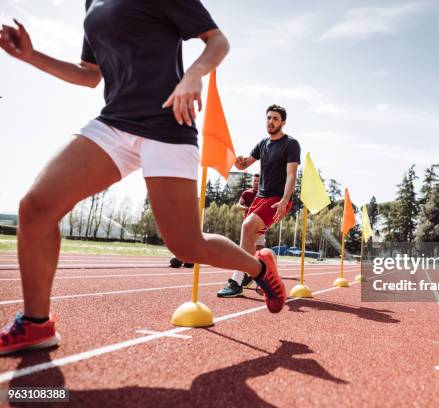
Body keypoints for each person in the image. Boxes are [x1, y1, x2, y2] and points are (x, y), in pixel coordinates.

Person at [0, 1, 285, 356]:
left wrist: (193, 75)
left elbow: (218, 41)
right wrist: (31, 56)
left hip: (168, 120)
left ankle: (258, 267)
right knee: (36, 207)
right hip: (115, 123)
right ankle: (35, 323)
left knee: (185, 245)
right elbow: (90, 74)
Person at [217, 105, 300, 298]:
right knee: (253, 240)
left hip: (276, 199)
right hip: (260, 199)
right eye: (268, 118)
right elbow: (244, 164)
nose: (271, 122)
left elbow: (291, 175)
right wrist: (235, 159)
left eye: (275, 119)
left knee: (247, 227)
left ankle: (236, 281)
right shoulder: (263, 144)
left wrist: (284, 200)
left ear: (283, 122)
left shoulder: (291, 144)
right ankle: (263, 272)